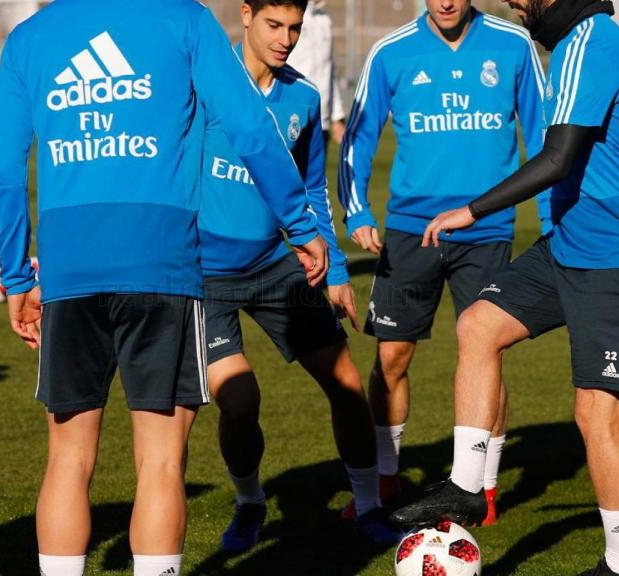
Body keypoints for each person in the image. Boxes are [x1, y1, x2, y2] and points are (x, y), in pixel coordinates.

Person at [0, 1, 327, 574]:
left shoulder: (30, 37)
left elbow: (2, 168)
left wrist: (18, 275)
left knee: (68, 458)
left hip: (70, 267)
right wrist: (300, 220)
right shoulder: (185, 20)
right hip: (163, 262)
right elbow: (249, 125)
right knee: (162, 461)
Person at [389, 1, 619, 575]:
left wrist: (470, 211)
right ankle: (467, 485)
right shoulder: (576, 45)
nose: (513, 2)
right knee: (478, 323)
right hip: (570, 246)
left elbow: (557, 157)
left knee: (596, 412)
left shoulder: (590, 41)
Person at [200, 0, 400, 553]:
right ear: (245, 15)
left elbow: (312, 193)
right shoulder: (205, 85)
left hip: (274, 266)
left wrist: (335, 269)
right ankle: (249, 503)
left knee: (347, 384)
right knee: (239, 402)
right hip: (204, 276)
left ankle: (367, 507)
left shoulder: (304, 99)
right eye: (274, 25)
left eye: (295, 27)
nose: (286, 38)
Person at [337, 0, 547, 524]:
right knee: (391, 358)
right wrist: (357, 207)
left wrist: (551, 219)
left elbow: (544, 134)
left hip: (487, 227)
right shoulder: (391, 51)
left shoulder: (513, 44)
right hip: (410, 232)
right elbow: (359, 135)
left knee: (486, 352)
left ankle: (485, 489)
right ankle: (387, 479)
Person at [286, 0, 347, 144]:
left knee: (317, 167)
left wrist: (337, 116)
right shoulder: (289, 14)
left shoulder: (324, 20)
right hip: (293, 116)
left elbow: (329, 70)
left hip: (322, 120)